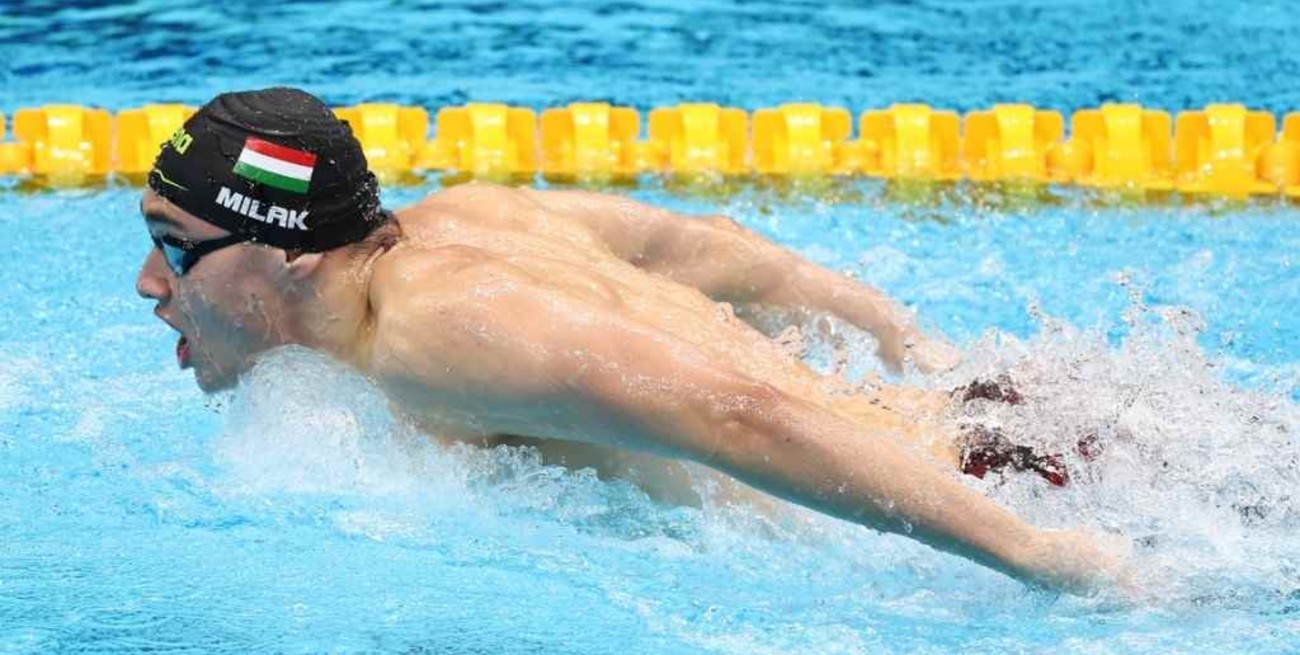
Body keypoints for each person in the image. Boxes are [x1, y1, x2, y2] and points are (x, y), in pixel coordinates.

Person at [136, 87, 1126, 593]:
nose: (150, 286)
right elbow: (718, 249)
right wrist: (931, 359)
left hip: (1011, 482)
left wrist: (1046, 558)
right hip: (1005, 423)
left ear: (291, 253)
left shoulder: (431, 340)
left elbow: (737, 416)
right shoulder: (466, 217)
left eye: (174, 251)